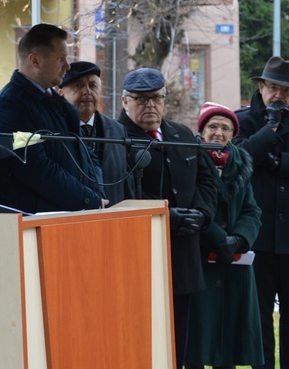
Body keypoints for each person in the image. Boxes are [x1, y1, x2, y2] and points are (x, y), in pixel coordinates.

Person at [116, 67, 216, 369]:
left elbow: (207, 179)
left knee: (178, 341)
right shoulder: (115, 137)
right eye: (141, 99)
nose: (151, 106)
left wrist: (201, 213)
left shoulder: (181, 134)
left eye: (157, 99)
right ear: (124, 102)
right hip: (139, 255)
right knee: (142, 341)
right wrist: (164, 215)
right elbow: (119, 189)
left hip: (183, 254)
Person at [233, 56, 289, 369]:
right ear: (261, 87)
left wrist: (278, 163)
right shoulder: (241, 121)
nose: (280, 96)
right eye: (274, 88)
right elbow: (239, 159)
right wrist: (270, 129)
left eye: (287, 92)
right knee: (259, 322)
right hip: (258, 239)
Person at [0, 24, 106, 213]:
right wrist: (88, 198)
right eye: (61, 59)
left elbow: (86, 153)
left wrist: (96, 195)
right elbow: (36, 168)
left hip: (69, 215)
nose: (67, 66)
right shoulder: (10, 105)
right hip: (36, 221)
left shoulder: (55, 101)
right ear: (35, 60)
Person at [185, 102, 263, 369]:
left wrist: (238, 240)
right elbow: (191, 204)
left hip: (234, 261)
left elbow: (252, 210)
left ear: (233, 134)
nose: (218, 133)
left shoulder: (241, 163)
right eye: (213, 126)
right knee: (197, 335)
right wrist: (220, 240)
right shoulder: (190, 157)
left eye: (225, 128)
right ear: (202, 130)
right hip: (199, 258)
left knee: (229, 336)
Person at [58, 61, 135, 205]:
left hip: (113, 221)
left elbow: (126, 186)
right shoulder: (54, 132)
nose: (87, 91)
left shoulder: (118, 131)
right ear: (61, 94)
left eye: (93, 86)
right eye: (78, 86)